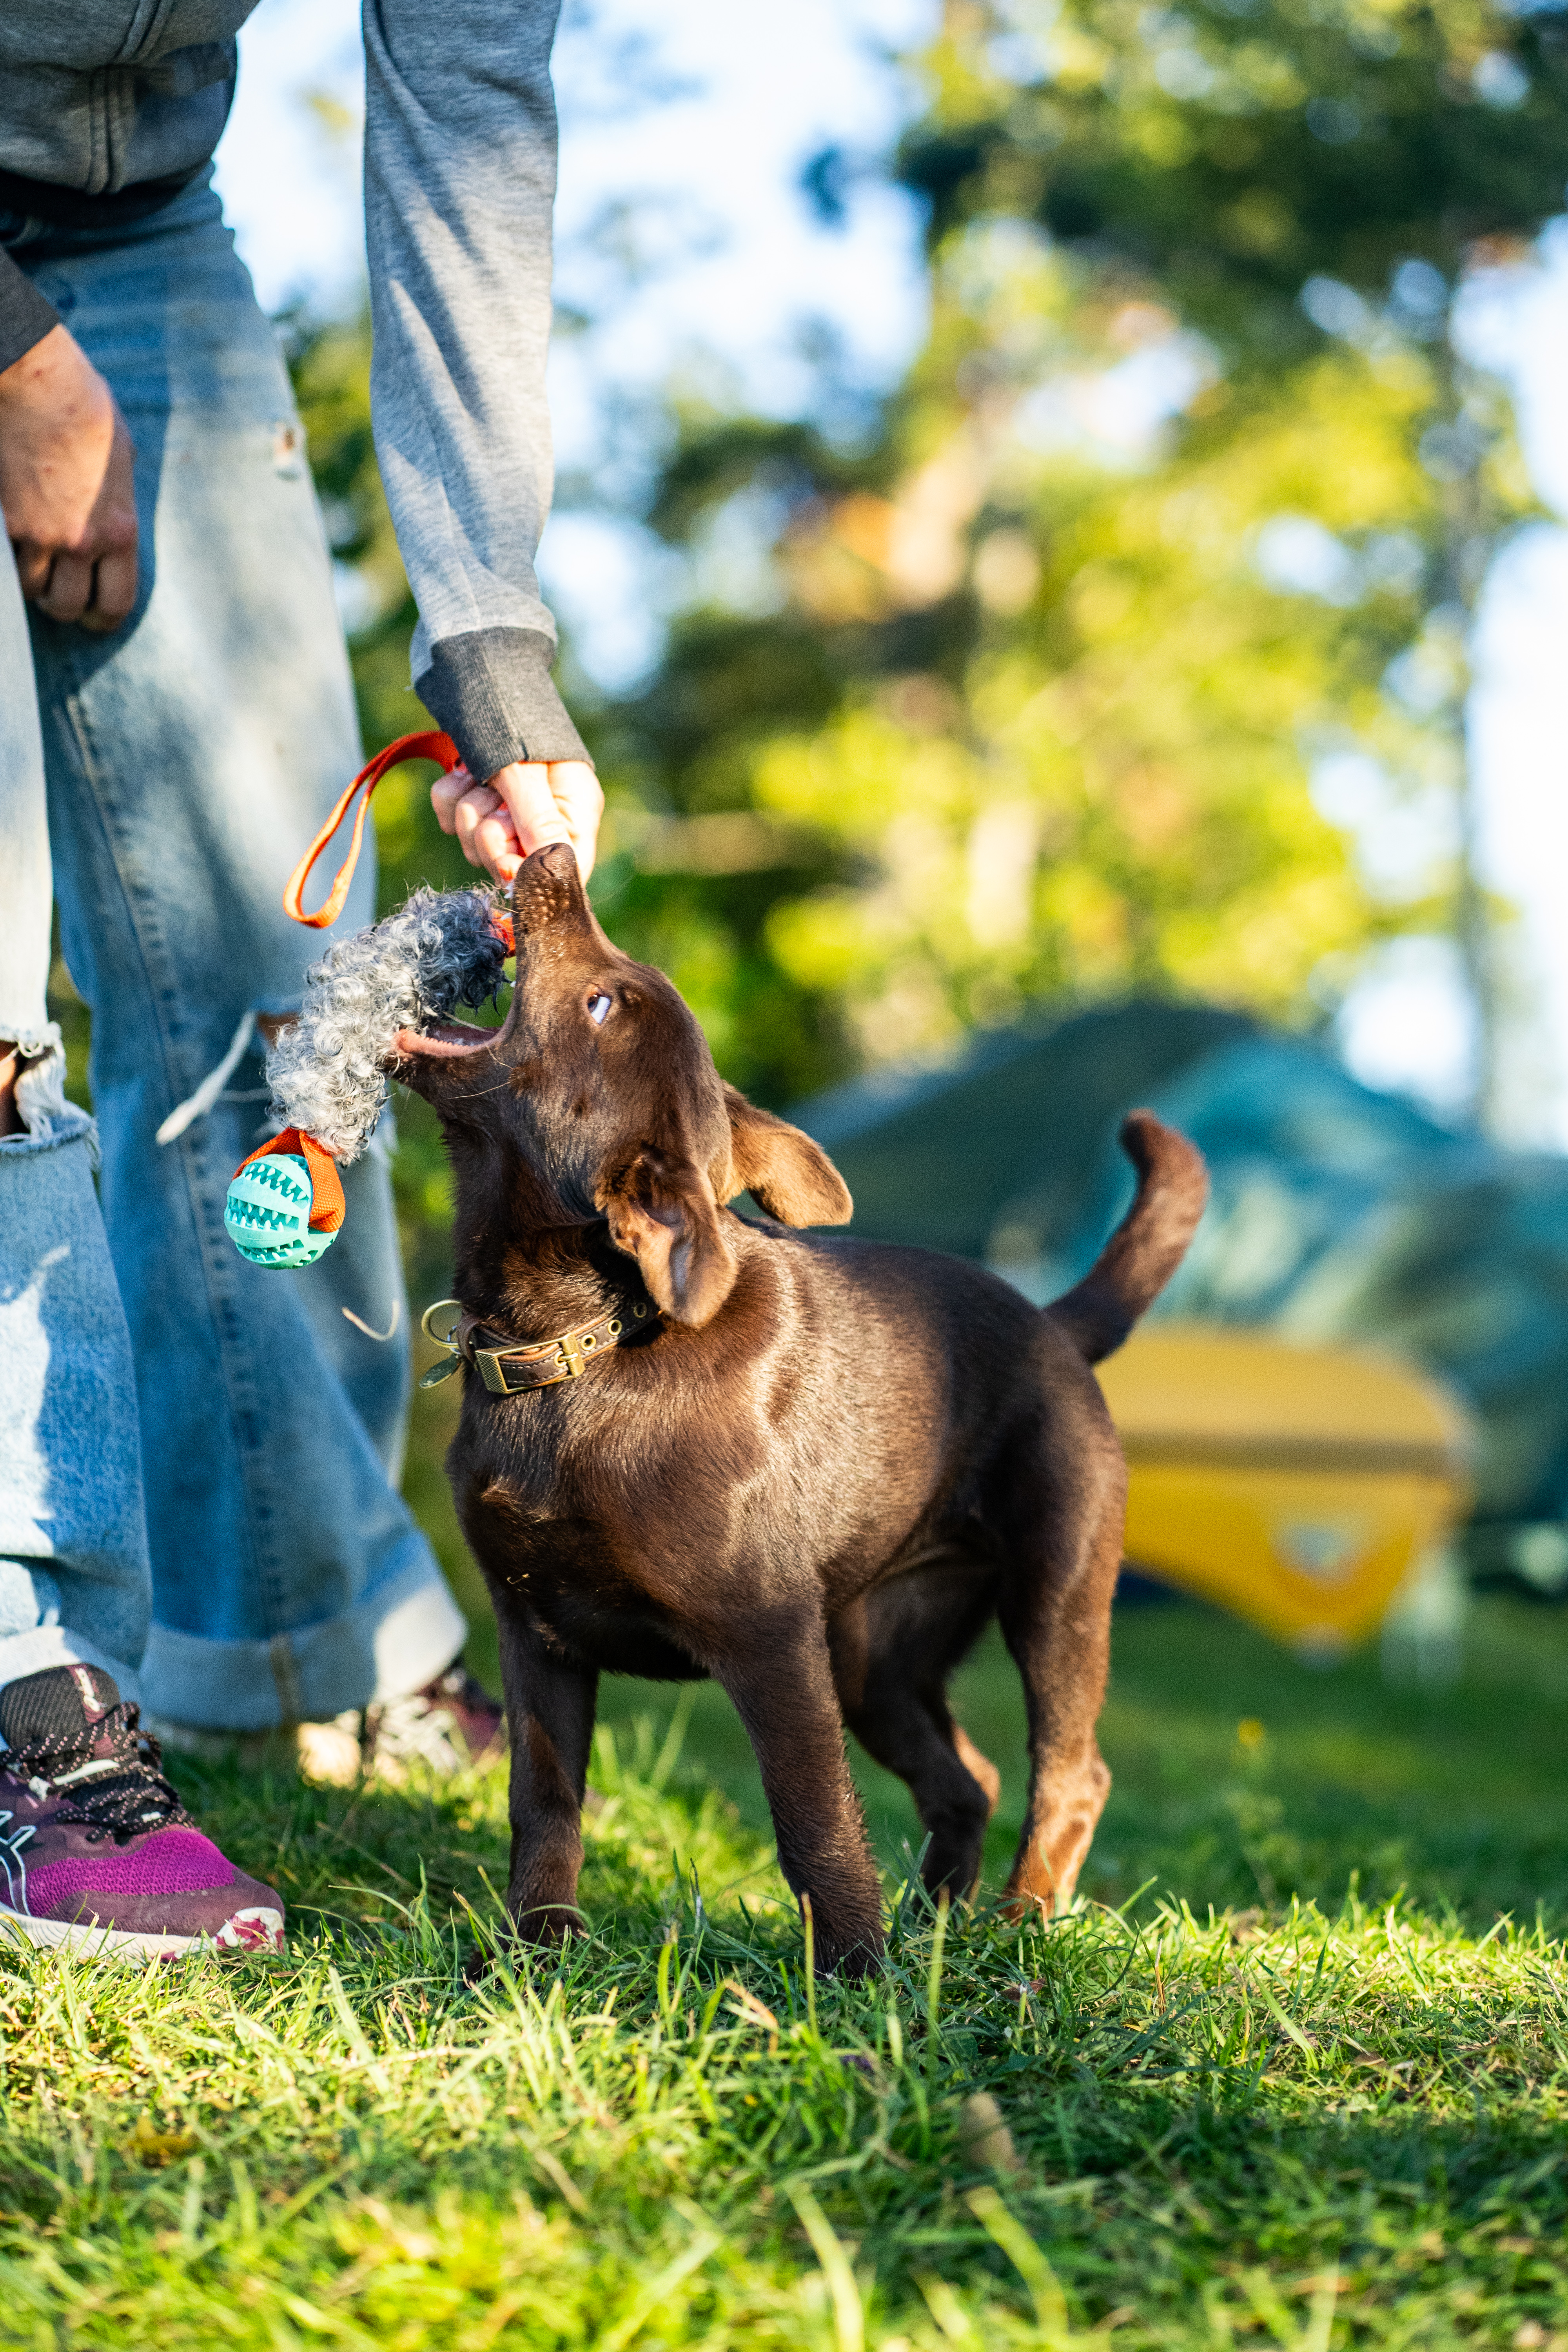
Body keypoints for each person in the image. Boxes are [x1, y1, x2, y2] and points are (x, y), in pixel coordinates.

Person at [0, 1, 602, 1954]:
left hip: (148, 226)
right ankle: (22, 1686)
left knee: (285, 995)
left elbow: (467, 112)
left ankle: (295, 1641)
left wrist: (489, 638)